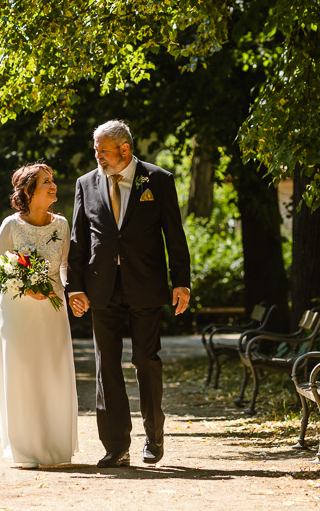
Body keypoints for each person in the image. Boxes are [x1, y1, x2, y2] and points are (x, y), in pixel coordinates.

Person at [67, 120, 191, 468]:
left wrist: (181, 280)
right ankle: (116, 445)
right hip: (101, 287)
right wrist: (75, 286)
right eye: (96, 149)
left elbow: (174, 233)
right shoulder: (85, 184)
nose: (97, 156)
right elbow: (78, 239)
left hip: (146, 285)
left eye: (102, 150)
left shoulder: (159, 180)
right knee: (106, 366)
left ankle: (154, 437)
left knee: (146, 362)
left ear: (125, 149)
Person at [0, 163, 83, 469]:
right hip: (18, 310)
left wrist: (71, 292)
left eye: (53, 180)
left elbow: (66, 264)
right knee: (23, 374)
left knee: (53, 372)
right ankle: (26, 450)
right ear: (29, 192)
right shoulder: (11, 226)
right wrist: (24, 286)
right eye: (46, 182)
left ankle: (55, 447)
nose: (53, 185)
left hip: (52, 308)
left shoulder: (61, 225)